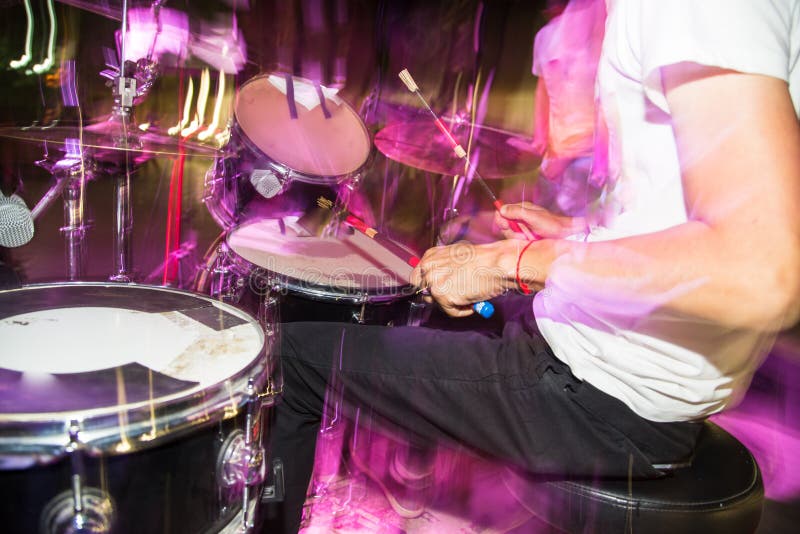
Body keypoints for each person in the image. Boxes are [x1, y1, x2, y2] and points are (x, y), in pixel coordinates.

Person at [259, 0, 800, 531]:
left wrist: (514, 262)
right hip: (612, 360)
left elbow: (759, 269)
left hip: (602, 393)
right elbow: (694, 213)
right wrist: (579, 237)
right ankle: (409, 480)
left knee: (289, 359)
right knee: (426, 307)